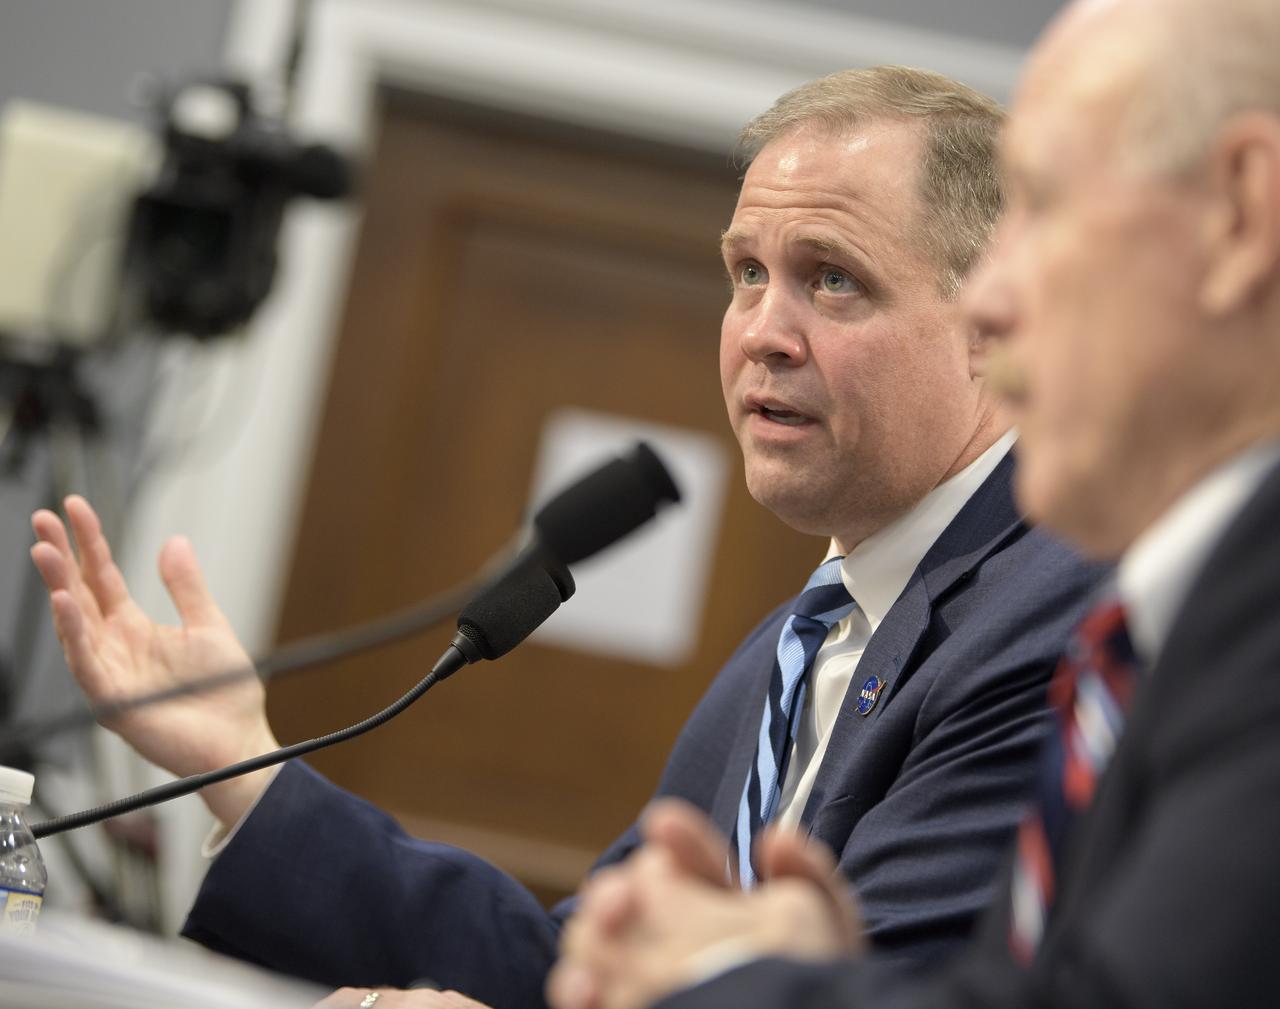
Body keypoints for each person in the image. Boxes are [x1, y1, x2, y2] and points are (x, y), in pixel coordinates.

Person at [29, 68, 1103, 1008]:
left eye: (832, 277)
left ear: (990, 322)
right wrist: (236, 762)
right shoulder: (797, 645)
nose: (763, 333)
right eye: (745, 272)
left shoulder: (1057, 621)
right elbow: (573, 974)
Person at [548, 1, 1280, 1007]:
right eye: (746, 274)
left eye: (1046, 206)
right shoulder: (1180, 620)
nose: (988, 302)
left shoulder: (1166, 619)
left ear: (1240, 210)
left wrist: (733, 975)